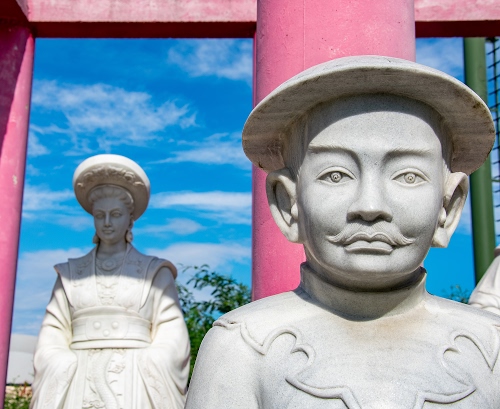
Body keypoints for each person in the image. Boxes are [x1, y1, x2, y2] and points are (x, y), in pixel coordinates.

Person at [186, 56, 500, 408]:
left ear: (448, 206)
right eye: (335, 175)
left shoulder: (491, 347)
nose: (370, 205)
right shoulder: (243, 344)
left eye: (408, 176)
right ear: (289, 203)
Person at [31, 154, 190, 409]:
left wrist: (151, 360)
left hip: (136, 381)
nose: (106, 223)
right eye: (99, 215)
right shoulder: (70, 274)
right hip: (76, 378)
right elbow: (53, 331)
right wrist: (60, 361)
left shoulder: (154, 272)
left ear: (130, 218)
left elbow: (173, 332)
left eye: (115, 214)